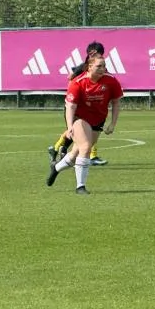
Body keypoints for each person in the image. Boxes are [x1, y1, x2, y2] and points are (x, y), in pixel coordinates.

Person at [47, 54, 123, 194]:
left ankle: (56, 168)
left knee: (76, 152)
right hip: (79, 118)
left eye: (104, 66)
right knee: (86, 147)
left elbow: (116, 102)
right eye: (99, 66)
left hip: (98, 120)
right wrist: (70, 126)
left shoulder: (111, 81)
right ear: (89, 67)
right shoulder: (78, 82)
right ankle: (80, 187)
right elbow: (70, 106)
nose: (102, 69)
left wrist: (113, 124)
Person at [48, 41, 110, 166]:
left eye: (101, 54)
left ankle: (56, 149)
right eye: (97, 53)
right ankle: (84, 155)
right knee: (78, 131)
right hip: (76, 105)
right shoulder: (84, 67)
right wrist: (76, 92)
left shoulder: (100, 68)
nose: (100, 57)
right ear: (91, 54)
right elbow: (70, 77)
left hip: (90, 105)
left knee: (89, 129)